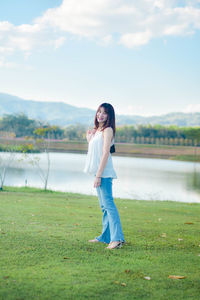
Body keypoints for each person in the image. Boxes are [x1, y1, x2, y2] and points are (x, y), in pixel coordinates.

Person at [84, 103, 125, 250]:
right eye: (99, 112)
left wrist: (99, 175)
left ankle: (117, 239)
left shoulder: (108, 130)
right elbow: (96, 151)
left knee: (109, 205)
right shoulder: (99, 130)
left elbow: (106, 153)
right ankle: (105, 237)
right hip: (99, 172)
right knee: (104, 207)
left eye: (104, 113)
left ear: (109, 116)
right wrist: (90, 139)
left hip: (104, 173)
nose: (100, 115)